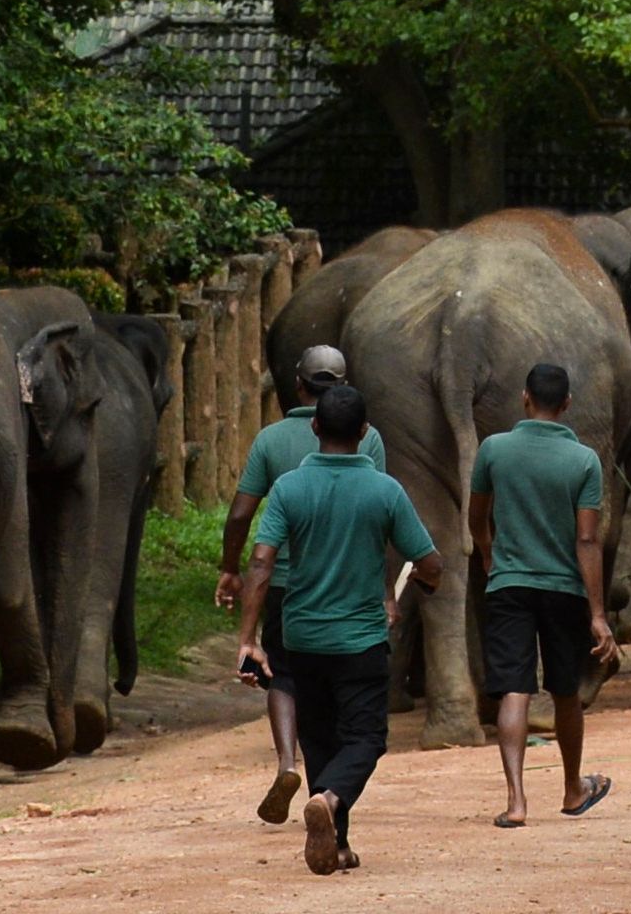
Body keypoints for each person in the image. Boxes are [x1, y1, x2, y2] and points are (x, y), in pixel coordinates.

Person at [239, 384, 440, 875]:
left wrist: (247, 638)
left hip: (301, 636)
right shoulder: (385, 491)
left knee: (321, 738)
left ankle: (337, 843)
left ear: (314, 428)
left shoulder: (288, 488)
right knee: (366, 738)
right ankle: (327, 801)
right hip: (360, 639)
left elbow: (262, 563)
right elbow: (428, 560)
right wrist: (425, 582)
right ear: (366, 432)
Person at [217, 344, 387, 825]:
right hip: (345, 584)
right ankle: (331, 789)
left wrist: (231, 567)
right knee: (341, 691)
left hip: (283, 582)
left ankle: (288, 762)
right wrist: (385, 592)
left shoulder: (271, 440)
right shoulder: (368, 439)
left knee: (283, 674)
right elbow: (380, 514)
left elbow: (241, 512)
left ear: (298, 385)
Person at [468, 362, 620, 829]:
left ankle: (516, 801)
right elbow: (588, 540)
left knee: (514, 689)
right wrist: (597, 613)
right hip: (564, 589)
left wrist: (491, 556)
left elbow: (477, 516)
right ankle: (573, 789)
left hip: (509, 586)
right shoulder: (583, 461)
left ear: (524, 398)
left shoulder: (494, 450)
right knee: (565, 692)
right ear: (568, 404)